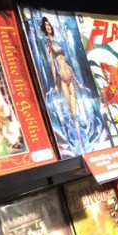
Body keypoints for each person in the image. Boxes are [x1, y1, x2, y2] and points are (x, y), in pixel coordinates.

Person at [41, 16, 83, 147]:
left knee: (74, 106)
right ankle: (77, 135)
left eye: (49, 25)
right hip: (61, 77)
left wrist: (77, 80)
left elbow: (67, 62)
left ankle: (79, 134)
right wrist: (55, 83)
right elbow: (52, 65)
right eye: (46, 26)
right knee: (71, 106)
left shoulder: (57, 41)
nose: (48, 27)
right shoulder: (48, 44)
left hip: (69, 73)